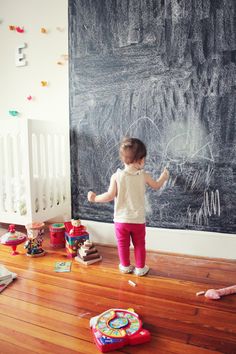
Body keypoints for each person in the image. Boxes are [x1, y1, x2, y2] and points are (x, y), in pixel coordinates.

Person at [87, 137, 169, 276]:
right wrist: (164, 176)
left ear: (123, 159)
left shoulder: (116, 176)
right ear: (141, 160)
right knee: (139, 245)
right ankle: (140, 268)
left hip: (121, 221)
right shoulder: (143, 175)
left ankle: (125, 266)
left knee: (123, 245)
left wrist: (94, 198)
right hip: (137, 220)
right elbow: (156, 185)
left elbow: (109, 195)